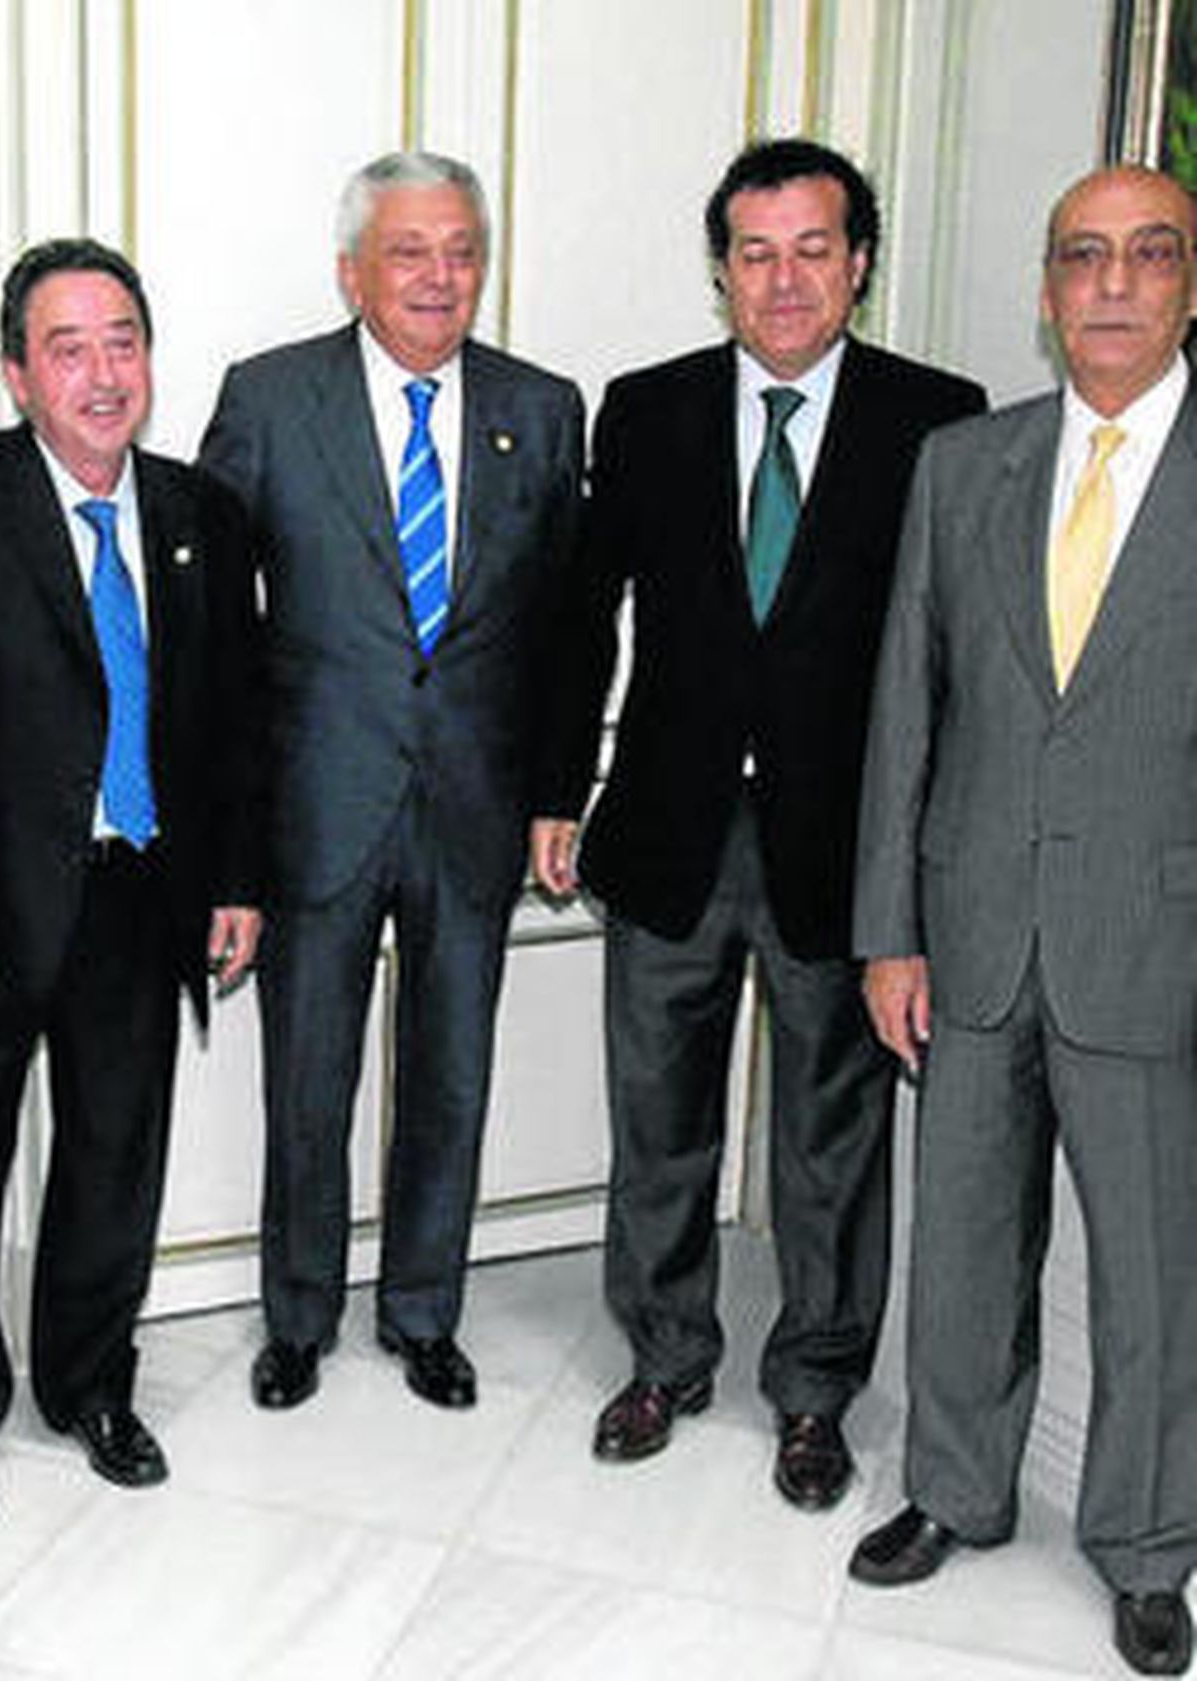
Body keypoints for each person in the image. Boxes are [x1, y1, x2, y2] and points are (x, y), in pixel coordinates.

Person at [531, 138, 985, 1508]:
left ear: (859, 263)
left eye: (812, 249)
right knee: (657, 1117)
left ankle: (816, 1392)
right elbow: (579, 612)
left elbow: (957, 653)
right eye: (754, 251)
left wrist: (931, 854)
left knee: (829, 1138)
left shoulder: (938, 418)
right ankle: (666, 1354)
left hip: (845, 848)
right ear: (720, 267)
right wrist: (559, 785)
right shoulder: (648, 408)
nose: (782, 280)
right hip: (668, 830)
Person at [0, 239, 261, 1525]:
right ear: (17, 371)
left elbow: (232, 720)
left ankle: (89, 1383)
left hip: (142, 893)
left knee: (114, 1159)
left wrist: (237, 879)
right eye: (68, 348)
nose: (101, 373)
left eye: (122, 341)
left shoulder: (201, 513)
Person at [849, 165, 1197, 1677]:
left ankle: (1147, 1543)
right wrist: (888, 929)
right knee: (966, 1243)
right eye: (1083, 257)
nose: (1112, 283)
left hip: (1156, 947)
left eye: (1148, 254)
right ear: (1046, 288)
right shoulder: (962, 467)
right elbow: (903, 718)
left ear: (1189, 283)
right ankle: (954, 1487)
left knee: (1156, 1274)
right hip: (974, 929)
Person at [199, 152, 583, 1412]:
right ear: (352, 269)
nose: (438, 276)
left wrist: (553, 792)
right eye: (409, 251)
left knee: (452, 1070)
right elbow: (212, 631)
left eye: (461, 249)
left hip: (472, 805)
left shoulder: (545, 405)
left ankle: (425, 1310)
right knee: (308, 1075)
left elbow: (570, 623)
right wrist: (232, 837)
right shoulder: (267, 399)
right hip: (315, 805)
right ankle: (298, 1314)